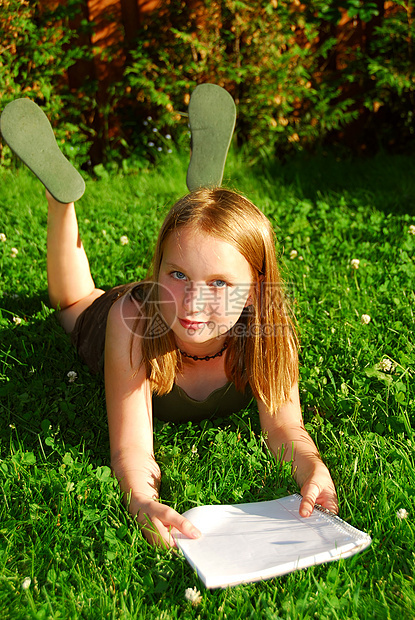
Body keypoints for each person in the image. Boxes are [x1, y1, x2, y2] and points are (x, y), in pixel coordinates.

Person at [0, 85, 338, 548]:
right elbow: (132, 448)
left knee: (201, 239)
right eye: (178, 273)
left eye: (220, 282)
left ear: (257, 291)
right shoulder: (132, 323)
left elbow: (284, 428)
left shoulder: (268, 328)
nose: (194, 302)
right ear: (157, 268)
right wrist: (141, 498)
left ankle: (206, 208)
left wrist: (312, 466)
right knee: (73, 304)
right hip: (133, 309)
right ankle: (62, 202)